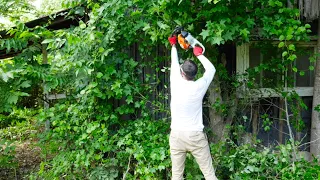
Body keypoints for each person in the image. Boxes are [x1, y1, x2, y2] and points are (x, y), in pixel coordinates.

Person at [168, 35, 218, 180]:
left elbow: (174, 62)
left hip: (177, 135)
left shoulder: (175, 81)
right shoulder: (199, 86)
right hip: (195, 136)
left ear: (182, 72)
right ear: (195, 74)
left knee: (176, 176)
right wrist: (199, 54)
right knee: (209, 175)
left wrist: (173, 46)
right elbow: (211, 70)